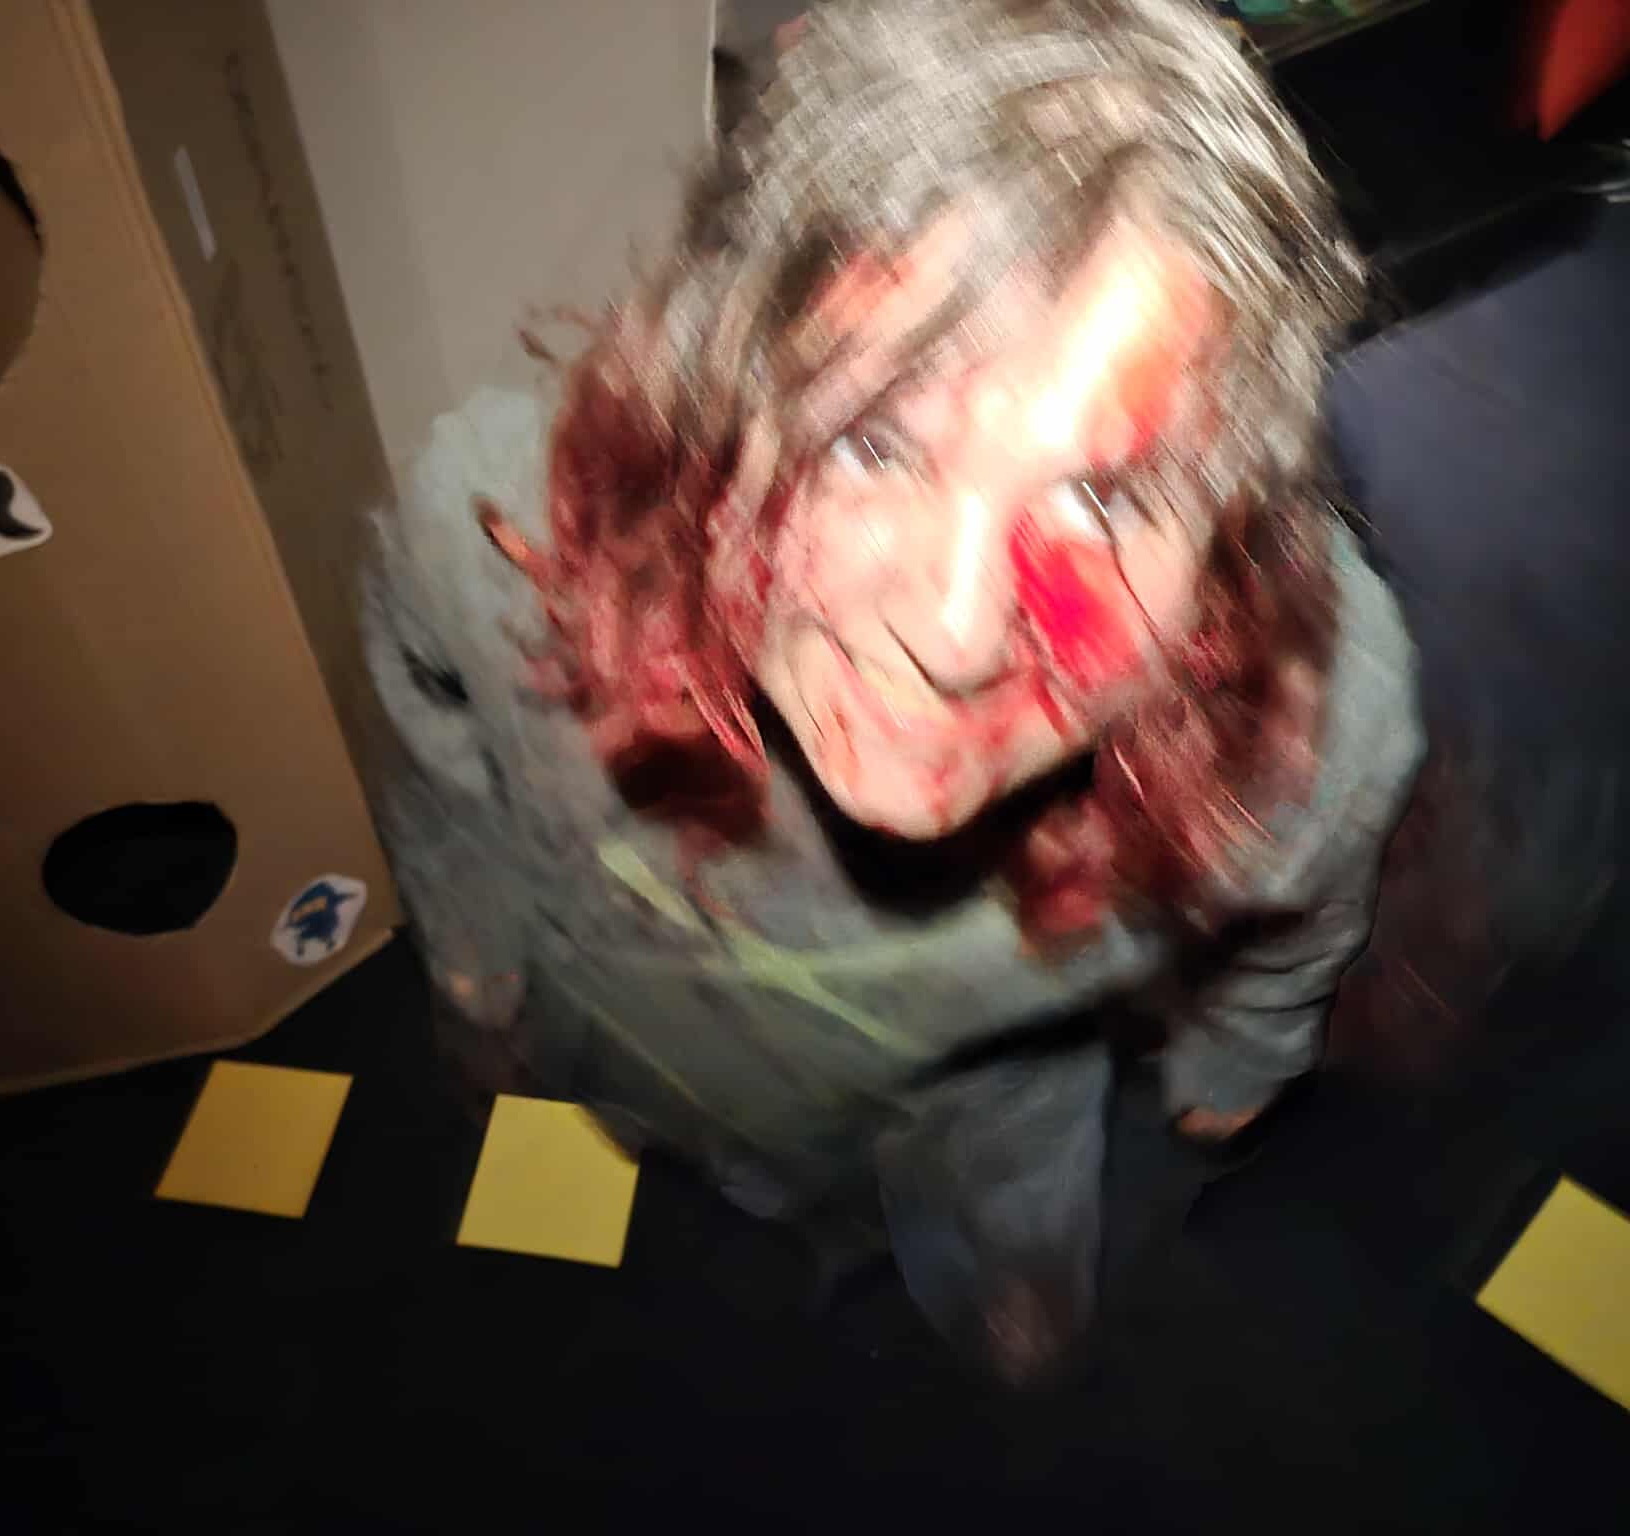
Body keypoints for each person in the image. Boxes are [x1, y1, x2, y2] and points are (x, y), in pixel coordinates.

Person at [361, 0, 1421, 1381]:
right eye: (870, 440)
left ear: (1221, 550)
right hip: (641, 1039)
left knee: (1010, 1320)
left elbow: (1303, 901)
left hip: (983, 1120)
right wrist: (469, 934)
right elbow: (428, 699)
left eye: (1104, 497)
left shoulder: (1305, 721)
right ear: (718, 392)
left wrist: (1244, 1054)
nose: (957, 633)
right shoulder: (502, 534)